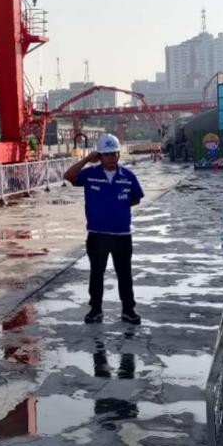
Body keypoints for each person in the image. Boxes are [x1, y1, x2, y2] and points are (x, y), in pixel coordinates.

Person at [63, 133, 144, 325]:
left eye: (114, 153)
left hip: (122, 235)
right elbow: (69, 176)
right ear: (99, 156)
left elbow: (136, 199)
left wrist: (116, 209)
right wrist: (86, 159)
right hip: (97, 235)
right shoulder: (90, 175)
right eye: (106, 154)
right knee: (96, 273)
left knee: (124, 274)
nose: (111, 157)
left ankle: (128, 310)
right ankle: (95, 310)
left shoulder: (128, 176)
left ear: (118, 154)